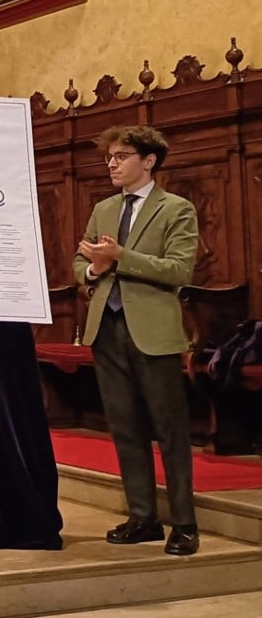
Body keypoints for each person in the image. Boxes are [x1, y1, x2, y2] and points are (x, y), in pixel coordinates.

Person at [73, 125, 200, 556]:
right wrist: (91, 270)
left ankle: (184, 522)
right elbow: (79, 263)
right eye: (109, 157)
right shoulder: (104, 208)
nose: (111, 163)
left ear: (148, 161)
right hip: (106, 329)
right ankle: (143, 517)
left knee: (170, 429)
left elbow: (179, 270)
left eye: (121, 155)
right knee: (125, 427)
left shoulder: (176, 209)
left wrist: (120, 258)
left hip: (153, 332)